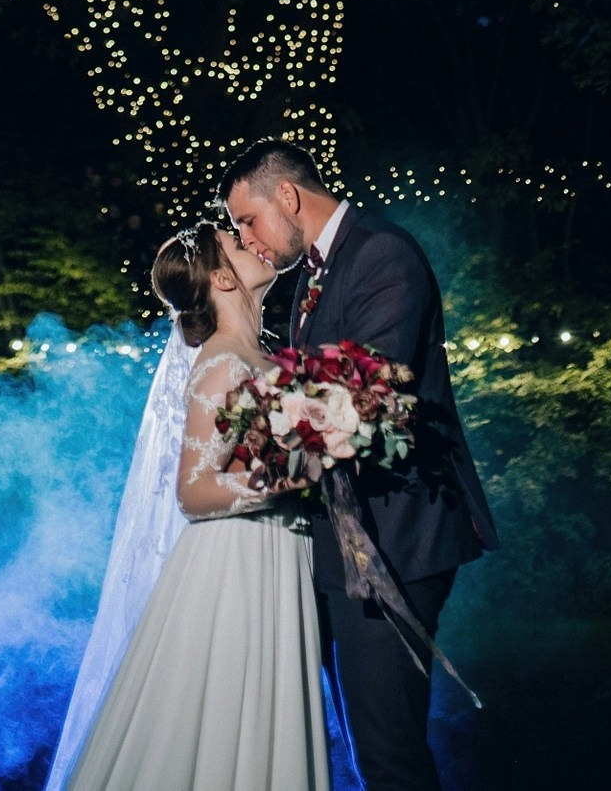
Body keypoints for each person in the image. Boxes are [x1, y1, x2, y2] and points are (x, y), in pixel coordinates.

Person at [222, 138, 498, 791]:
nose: (248, 238)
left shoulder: (381, 252)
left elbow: (369, 394)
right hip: (347, 540)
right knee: (364, 742)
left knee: (387, 752)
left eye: (247, 220)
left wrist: (266, 446)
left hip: (396, 538)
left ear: (286, 195)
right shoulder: (317, 274)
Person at [46, 221, 331, 791]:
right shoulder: (223, 362)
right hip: (235, 565)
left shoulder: (269, 357)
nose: (252, 241)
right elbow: (194, 489)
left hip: (279, 555)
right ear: (223, 276)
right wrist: (295, 474)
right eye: (236, 239)